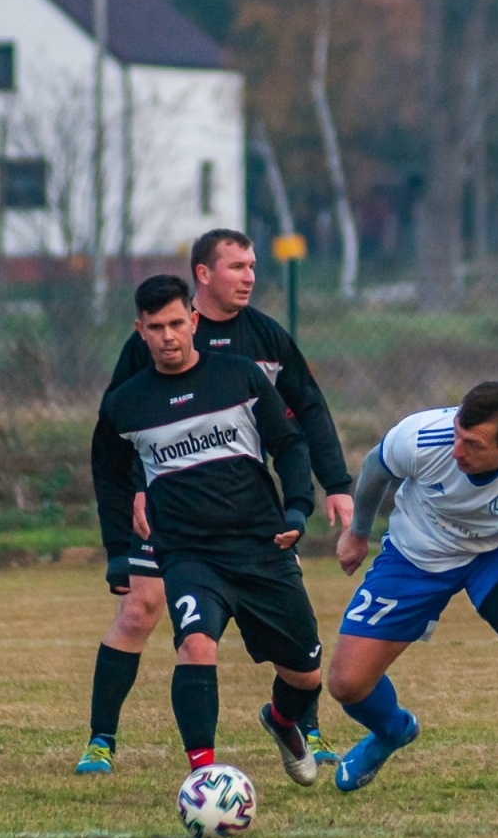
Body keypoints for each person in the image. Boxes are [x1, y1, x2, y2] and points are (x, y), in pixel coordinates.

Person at [79, 229, 353, 774]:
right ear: (203, 275)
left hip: (257, 529)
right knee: (161, 622)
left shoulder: (257, 353)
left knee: (303, 662)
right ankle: (155, 757)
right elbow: (116, 449)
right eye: (237, 266)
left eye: (254, 265)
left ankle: (295, 720)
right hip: (180, 536)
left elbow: (302, 422)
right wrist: (122, 527)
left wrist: (324, 490)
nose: (250, 275)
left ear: (192, 322)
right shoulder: (138, 371)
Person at [327, 382, 498, 833]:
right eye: (458, 435)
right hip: (416, 554)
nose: (457, 450)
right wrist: (359, 533)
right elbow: (374, 469)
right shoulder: (423, 437)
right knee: (347, 684)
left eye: (473, 444)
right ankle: (392, 731)